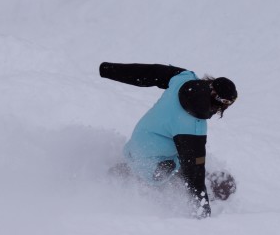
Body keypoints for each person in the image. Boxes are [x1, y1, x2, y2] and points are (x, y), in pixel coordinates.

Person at [99, 62, 238, 218]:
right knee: (188, 165)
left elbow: (149, 72)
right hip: (154, 169)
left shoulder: (184, 78)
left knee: (185, 155)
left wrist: (108, 70)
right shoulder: (193, 126)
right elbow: (194, 173)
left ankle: (129, 167)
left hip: (134, 146)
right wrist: (203, 211)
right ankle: (138, 175)